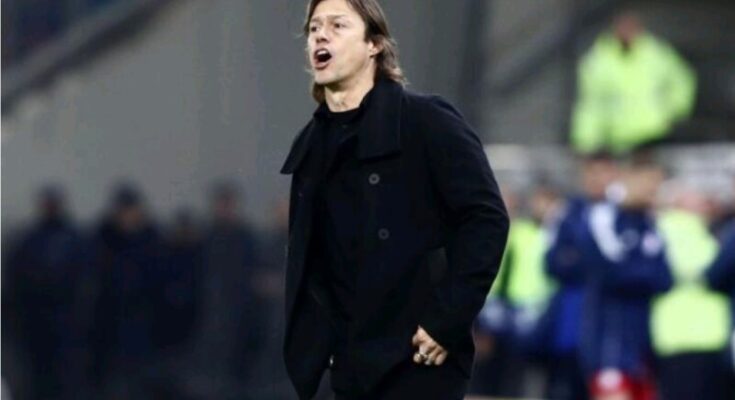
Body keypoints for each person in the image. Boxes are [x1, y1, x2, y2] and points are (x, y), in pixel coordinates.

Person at [280, 0, 509, 398]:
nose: (320, 35)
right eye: (314, 28)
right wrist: (318, 347)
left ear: (374, 44)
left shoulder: (425, 121)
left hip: (418, 358)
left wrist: (446, 320)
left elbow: (486, 219)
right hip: (347, 366)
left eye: (337, 25)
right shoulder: (311, 146)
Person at [580, 154, 673, 400]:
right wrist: (643, 272)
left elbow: (665, 279)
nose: (654, 190)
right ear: (629, 178)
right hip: (609, 341)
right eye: (649, 182)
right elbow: (612, 273)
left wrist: (639, 271)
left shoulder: (649, 223)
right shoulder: (603, 217)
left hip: (642, 344)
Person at [543, 152, 620, 400]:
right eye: (591, 172)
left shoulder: (623, 214)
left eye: (603, 172)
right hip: (571, 320)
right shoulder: (568, 212)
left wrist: (581, 258)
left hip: (611, 324)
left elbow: (619, 267)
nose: (597, 179)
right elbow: (553, 262)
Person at [570, 11, 696, 155]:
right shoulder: (598, 60)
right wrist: (585, 140)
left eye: (631, 28)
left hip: (654, 133)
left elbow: (681, 79)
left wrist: (675, 110)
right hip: (617, 138)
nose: (627, 33)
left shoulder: (656, 53)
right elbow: (591, 103)